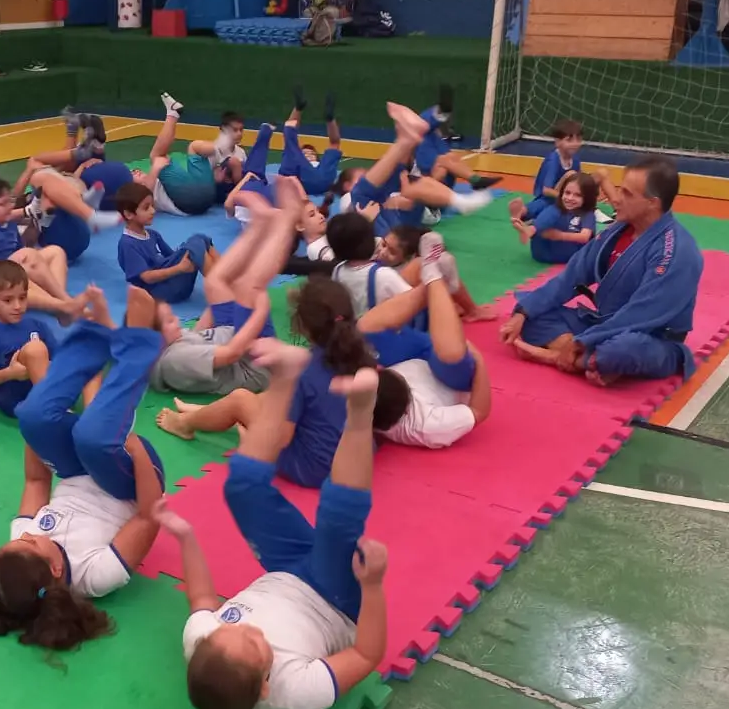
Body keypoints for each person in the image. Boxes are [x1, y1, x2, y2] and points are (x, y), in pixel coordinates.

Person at [166, 338, 389, 709]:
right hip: (334, 599)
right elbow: (366, 655)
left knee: (242, 486)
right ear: (266, 686)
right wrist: (374, 586)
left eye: (233, 626)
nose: (250, 627)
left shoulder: (202, 644)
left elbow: (201, 599)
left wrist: (185, 535)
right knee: (337, 518)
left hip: (285, 567)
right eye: (257, 642)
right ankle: (361, 415)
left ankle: (286, 376)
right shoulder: (295, 695)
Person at [0, 286, 167, 649]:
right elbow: (149, 516)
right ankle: (140, 342)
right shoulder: (96, 576)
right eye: (30, 542)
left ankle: (94, 334)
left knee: (33, 416)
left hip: (75, 469)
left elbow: (36, 479)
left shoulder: (21, 545)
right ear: (56, 569)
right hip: (130, 482)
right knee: (92, 436)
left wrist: (37, 432)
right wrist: (137, 454)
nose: (24, 534)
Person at [156, 277, 395, 488]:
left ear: (303, 325)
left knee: (240, 399)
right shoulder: (361, 352)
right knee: (272, 398)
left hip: (314, 469)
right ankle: (207, 412)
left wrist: (253, 437)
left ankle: (184, 423)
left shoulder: (305, 368)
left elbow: (282, 438)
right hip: (356, 459)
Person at [500, 154, 702, 385]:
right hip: (604, 323)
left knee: (620, 351)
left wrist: (582, 341)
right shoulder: (616, 232)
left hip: (651, 337)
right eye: (619, 189)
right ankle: (584, 360)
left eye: (627, 194)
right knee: (531, 311)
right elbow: (570, 277)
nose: (616, 198)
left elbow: (642, 314)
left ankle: (559, 356)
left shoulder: (676, 251)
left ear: (652, 203)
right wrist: (523, 313)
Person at [151, 183, 298, 397]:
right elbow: (232, 353)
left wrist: (219, 299)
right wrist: (259, 312)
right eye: (169, 321)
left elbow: (198, 333)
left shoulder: (173, 343)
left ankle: (258, 225)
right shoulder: (175, 360)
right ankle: (288, 221)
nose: (176, 319)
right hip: (254, 363)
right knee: (249, 286)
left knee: (215, 282)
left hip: (232, 333)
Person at [361, 233, 491, 449]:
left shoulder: (362, 403)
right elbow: (479, 411)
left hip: (411, 356)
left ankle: (434, 279)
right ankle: (434, 277)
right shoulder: (427, 427)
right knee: (450, 354)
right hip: (448, 375)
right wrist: (478, 361)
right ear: (407, 410)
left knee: (365, 328)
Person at [337, 103, 492, 237]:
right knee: (363, 191)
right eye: (361, 175)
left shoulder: (382, 189)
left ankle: (460, 201)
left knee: (408, 181)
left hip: (403, 221)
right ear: (346, 185)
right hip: (387, 233)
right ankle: (406, 138)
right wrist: (382, 208)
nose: (367, 173)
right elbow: (353, 223)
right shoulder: (347, 199)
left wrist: (399, 196)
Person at [0, 176, 84, 317]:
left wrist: (36, 226)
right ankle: (63, 304)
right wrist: (13, 268)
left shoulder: (6, 220)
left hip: (6, 267)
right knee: (28, 258)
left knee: (56, 251)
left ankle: (60, 301)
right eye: (2, 204)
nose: (10, 206)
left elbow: (21, 248)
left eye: (9, 201)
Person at [0, 260, 62, 417]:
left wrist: (49, 365)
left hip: (48, 389)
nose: (17, 306)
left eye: (22, 298)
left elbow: (60, 358)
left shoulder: (37, 325)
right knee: (35, 348)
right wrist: (10, 373)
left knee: (88, 347)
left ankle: (92, 415)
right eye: (8, 300)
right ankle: (50, 407)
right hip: (15, 399)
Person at [115, 181, 217, 305]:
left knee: (200, 238)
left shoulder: (153, 234)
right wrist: (179, 269)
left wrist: (183, 254)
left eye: (152, 206)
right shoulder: (128, 244)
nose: (153, 211)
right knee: (195, 246)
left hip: (173, 283)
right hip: (160, 292)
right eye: (146, 208)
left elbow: (171, 256)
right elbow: (146, 277)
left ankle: (226, 278)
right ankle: (219, 286)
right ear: (128, 214)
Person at [376, 223, 494, 322]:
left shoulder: (410, 267)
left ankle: (470, 309)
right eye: (384, 244)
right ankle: (471, 310)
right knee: (436, 265)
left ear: (409, 257)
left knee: (437, 265)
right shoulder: (375, 245)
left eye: (392, 252)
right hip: (383, 311)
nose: (383, 252)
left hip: (393, 307)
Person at [129, 93, 222, 216]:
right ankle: (172, 114)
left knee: (194, 147)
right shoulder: (140, 193)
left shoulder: (161, 180)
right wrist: (155, 168)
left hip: (208, 196)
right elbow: (146, 196)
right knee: (156, 157)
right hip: (189, 203)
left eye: (135, 170)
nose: (136, 171)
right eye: (132, 173)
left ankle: (221, 147)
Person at [413, 85, 499, 192]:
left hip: (443, 183)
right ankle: (475, 180)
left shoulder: (433, 137)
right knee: (442, 167)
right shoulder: (422, 137)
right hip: (428, 181)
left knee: (450, 158)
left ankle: (475, 181)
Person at [509, 117, 583, 226]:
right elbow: (546, 191)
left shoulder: (575, 158)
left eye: (578, 140)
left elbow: (580, 180)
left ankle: (536, 219)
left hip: (565, 196)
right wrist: (566, 198)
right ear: (558, 142)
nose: (575, 144)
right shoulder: (553, 160)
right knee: (541, 207)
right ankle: (521, 212)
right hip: (549, 198)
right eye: (569, 140)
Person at [517, 172, 600, 266]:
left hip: (568, 254)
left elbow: (584, 237)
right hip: (542, 253)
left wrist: (559, 235)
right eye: (567, 193)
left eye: (578, 195)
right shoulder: (556, 209)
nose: (570, 198)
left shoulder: (587, 214)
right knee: (552, 211)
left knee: (552, 212)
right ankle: (530, 228)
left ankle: (530, 226)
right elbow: (546, 220)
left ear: (588, 198)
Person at [277, 87, 342, 197]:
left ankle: (299, 107)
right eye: (306, 153)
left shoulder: (315, 166)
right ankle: (329, 118)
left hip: (302, 179)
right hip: (317, 182)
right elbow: (334, 142)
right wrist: (330, 120)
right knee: (290, 143)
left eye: (311, 153)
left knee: (290, 140)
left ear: (317, 158)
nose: (308, 154)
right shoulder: (300, 162)